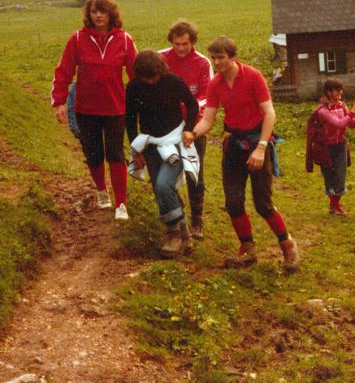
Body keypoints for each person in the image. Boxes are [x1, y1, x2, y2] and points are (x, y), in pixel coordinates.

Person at [187, 36, 300, 272]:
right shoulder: (216, 83)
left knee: (263, 204)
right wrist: (192, 134)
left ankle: (288, 245)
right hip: (234, 145)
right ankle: (247, 249)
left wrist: (261, 147)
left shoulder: (253, 76)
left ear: (232, 57)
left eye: (221, 57)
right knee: (234, 202)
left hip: (257, 142)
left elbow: (269, 114)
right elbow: (208, 118)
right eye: (214, 58)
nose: (217, 62)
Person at [52, 0, 137, 221]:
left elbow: (136, 74)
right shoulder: (78, 39)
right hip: (85, 108)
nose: (98, 15)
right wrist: (59, 101)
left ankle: (121, 204)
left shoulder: (125, 40)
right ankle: (102, 190)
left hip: (115, 108)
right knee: (93, 154)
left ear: (111, 14)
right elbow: (64, 71)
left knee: (115, 153)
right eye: (94, 11)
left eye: (103, 11)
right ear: (88, 14)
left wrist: (145, 102)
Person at [126, 50, 199, 257]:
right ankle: (184, 233)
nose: (149, 82)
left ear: (160, 70)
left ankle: (174, 234)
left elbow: (192, 105)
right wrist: (135, 149)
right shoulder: (133, 87)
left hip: (175, 142)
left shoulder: (173, 82)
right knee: (161, 191)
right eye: (145, 77)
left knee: (163, 184)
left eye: (153, 77)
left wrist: (189, 129)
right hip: (150, 144)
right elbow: (130, 119)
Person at [161, 20, 212, 239]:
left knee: (194, 173)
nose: (180, 48)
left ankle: (197, 220)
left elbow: (206, 96)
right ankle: (177, 217)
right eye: (176, 44)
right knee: (167, 172)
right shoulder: (161, 58)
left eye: (185, 44)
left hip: (193, 125)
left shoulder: (202, 63)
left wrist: (190, 118)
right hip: (167, 126)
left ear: (193, 42)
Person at [305, 79, 355, 216]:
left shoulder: (342, 105)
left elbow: (351, 124)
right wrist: (354, 109)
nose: (340, 92)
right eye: (337, 90)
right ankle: (335, 206)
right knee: (329, 177)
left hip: (340, 145)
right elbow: (339, 124)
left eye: (340, 89)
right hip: (325, 147)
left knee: (340, 176)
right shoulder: (322, 111)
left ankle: (334, 205)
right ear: (329, 92)